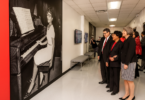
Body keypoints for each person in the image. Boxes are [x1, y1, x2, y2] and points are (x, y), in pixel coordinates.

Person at [25, 8, 55, 96]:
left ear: (52, 18)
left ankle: (32, 83)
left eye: (49, 16)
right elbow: (48, 40)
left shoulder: (52, 28)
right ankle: (41, 75)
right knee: (36, 55)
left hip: (50, 51)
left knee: (36, 58)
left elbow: (53, 45)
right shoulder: (48, 26)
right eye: (47, 15)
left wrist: (52, 60)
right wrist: (41, 43)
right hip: (47, 48)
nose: (48, 17)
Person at [120, 27, 137, 100]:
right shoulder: (126, 40)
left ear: (128, 32)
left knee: (130, 80)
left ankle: (132, 95)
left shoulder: (131, 40)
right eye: (123, 31)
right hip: (124, 62)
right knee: (125, 79)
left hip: (129, 63)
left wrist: (126, 63)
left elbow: (130, 53)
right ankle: (127, 93)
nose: (123, 32)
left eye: (124, 31)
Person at [107, 31, 123, 95]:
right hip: (111, 62)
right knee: (111, 76)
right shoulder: (112, 42)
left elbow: (121, 54)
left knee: (116, 77)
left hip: (116, 63)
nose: (112, 36)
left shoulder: (121, 43)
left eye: (113, 35)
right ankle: (111, 88)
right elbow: (110, 52)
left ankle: (115, 90)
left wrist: (115, 58)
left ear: (117, 36)